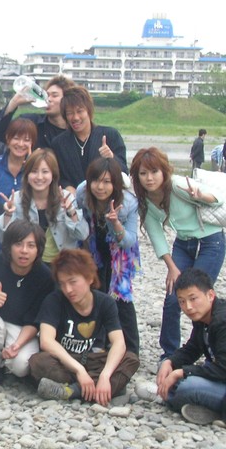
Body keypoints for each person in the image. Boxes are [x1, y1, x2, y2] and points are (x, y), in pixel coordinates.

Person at [129, 147, 225, 359]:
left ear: (164, 171)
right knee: (173, 297)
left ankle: (212, 349)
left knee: (198, 296)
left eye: (154, 171)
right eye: (143, 173)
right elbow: (156, 235)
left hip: (210, 241)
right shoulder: (145, 200)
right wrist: (171, 268)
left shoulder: (178, 185)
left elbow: (219, 198)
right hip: (183, 243)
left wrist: (201, 195)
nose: (149, 178)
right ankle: (169, 354)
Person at [29, 249, 140, 405]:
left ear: (89, 278)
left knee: (130, 359)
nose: (68, 290)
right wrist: (79, 370)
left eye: (73, 282)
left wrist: (105, 375)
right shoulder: (54, 301)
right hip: (67, 361)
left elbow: (118, 342)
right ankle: (109, 388)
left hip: (96, 359)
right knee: (38, 361)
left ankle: (72, 391)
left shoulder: (105, 302)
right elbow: (46, 341)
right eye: (62, 284)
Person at [0, 220, 54, 383]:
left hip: (22, 328)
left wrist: (17, 345)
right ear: (8, 246)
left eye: (31, 245)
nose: (24, 251)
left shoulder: (44, 276)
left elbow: (34, 321)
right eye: (18, 244)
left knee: (21, 366)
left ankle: (8, 363)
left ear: (38, 250)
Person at [76, 157, 141, 355]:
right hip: (94, 246)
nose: (100, 187)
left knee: (120, 296)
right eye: (96, 181)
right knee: (97, 291)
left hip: (119, 252)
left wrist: (115, 223)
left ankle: (131, 349)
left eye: (107, 182)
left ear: (115, 184)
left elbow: (128, 240)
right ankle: (100, 343)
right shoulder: (83, 193)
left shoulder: (128, 203)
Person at [154, 268, 226, 425]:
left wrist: (182, 372)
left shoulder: (222, 321)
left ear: (210, 295)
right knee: (168, 371)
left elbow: (223, 368)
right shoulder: (204, 317)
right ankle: (199, 406)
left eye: (193, 299)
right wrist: (170, 362)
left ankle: (215, 413)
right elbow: (193, 348)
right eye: (182, 301)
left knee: (187, 387)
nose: (188, 307)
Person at [0, 149, 88, 264]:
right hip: (29, 265)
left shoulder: (65, 197)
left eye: (45, 172)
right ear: (27, 175)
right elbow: (1, 238)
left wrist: (71, 211)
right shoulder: (17, 198)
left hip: (62, 264)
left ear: (53, 175)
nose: (39, 177)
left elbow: (82, 234)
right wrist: (8, 214)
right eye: (34, 171)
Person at [50, 86, 127, 193]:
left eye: (80, 111)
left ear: (89, 111)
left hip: (105, 198)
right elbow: (57, 176)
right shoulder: (59, 143)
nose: (75, 117)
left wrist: (111, 157)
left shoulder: (111, 135)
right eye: (70, 113)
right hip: (72, 199)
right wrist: (67, 187)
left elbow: (125, 172)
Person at [0, 75, 75, 149]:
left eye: (54, 95)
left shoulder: (75, 130)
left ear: (67, 99)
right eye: (47, 95)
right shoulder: (32, 122)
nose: (48, 99)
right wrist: (14, 103)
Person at [0, 118, 36, 201]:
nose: (21, 144)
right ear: (8, 139)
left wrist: (31, 167)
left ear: (32, 142)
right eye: (16, 138)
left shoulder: (36, 167)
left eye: (26, 140)